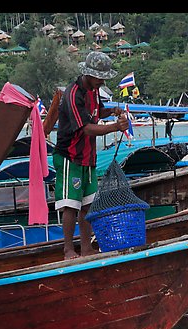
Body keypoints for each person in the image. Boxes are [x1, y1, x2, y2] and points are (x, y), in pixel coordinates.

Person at [54, 51, 129, 259]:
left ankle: (86, 247)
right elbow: (86, 127)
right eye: (99, 77)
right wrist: (115, 127)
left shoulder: (94, 91)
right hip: (70, 156)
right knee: (70, 204)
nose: (102, 81)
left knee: (88, 204)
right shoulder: (73, 93)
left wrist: (112, 110)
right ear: (88, 74)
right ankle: (68, 249)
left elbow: (96, 112)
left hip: (88, 156)